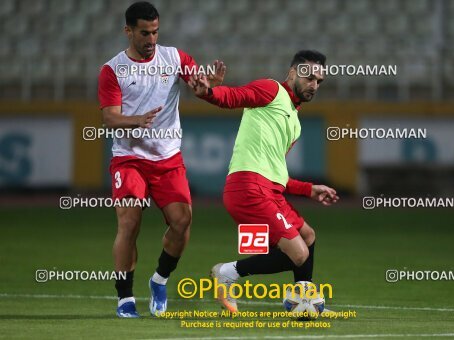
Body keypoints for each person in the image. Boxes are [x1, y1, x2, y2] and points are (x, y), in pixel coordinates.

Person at [98, 1, 225, 317]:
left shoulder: (174, 57)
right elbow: (110, 118)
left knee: (182, 222)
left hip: (167, 158)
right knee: (129, 222)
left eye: (155, 32)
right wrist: (136, 120)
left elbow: (199, 83)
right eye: (144, 32)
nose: (151, 39)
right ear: (128, 31)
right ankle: (124, 297)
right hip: (129, 158)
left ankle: (159, 279)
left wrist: (208, 85)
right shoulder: (112, 70)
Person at [188, 50, 339, 312]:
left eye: (319, 81)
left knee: (308, 236)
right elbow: (234, 97)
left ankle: (306, 299)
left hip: (268, 191)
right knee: (299, 253)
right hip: (248, 189)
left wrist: (308, 189)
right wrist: (207, 93)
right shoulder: (270, 90)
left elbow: (275, 172)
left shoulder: (295, 123)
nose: (314, 84)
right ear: (293, 72)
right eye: (309, 77)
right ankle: (227, 272)